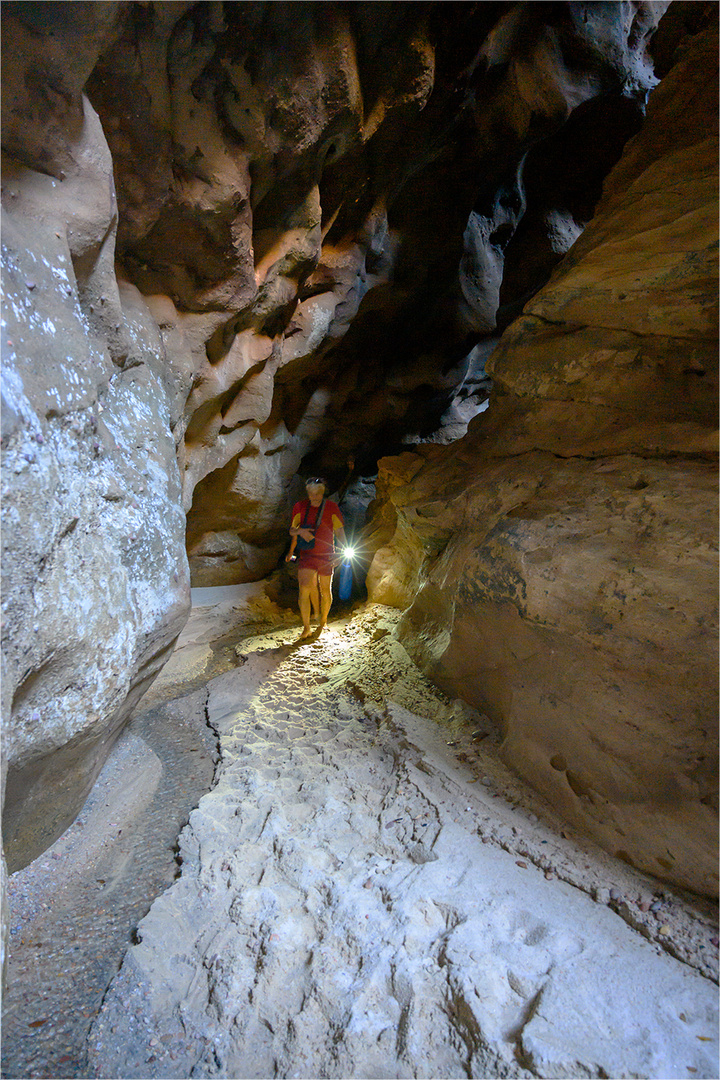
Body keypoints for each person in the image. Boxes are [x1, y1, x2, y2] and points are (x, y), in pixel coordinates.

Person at [286, 477, 347, 641]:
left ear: (323, 492)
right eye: (311, 493)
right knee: (304, 588)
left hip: (327, 555)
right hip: (307, 555)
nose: (314, 497)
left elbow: (340, 531)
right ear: (307, 492)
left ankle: (323, 622)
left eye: (318, 493)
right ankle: (306, 627)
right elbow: (292, 530)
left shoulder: (332, 507)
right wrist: (300, 532)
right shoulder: (300, 506)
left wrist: (342, 552)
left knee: (325, 590)